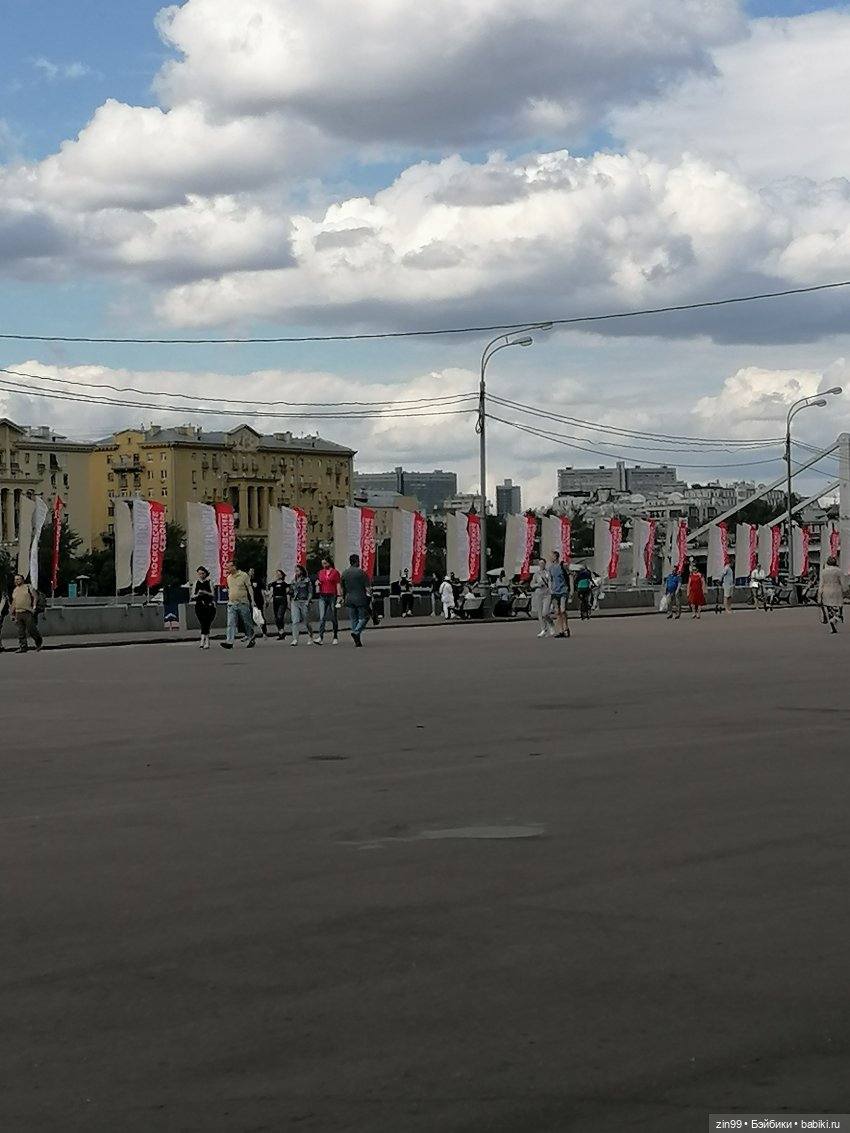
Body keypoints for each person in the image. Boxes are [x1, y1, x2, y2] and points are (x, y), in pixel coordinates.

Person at [219, 560, 256, 649]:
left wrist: (252, 600)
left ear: (234, 567)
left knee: (247, 622)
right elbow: (229, 589)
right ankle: (229, 641)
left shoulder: (243, 575)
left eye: (229, 566)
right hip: (232, 604)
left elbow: (249, 588)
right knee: (231, 623)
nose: (228, 568)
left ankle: (251, 637)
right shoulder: (229, 578)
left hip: (243, 603)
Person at [341, 553, 372, 646]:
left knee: (353, 619)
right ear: (357, 561)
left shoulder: (344, 573)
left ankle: (357, 639)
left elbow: (342, 588)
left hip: (349, 598)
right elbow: (368, 588)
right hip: (360, 598)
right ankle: (356, 632)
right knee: (364, 617)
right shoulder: (361, 573)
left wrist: (342, 598)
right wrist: (371, 595)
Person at [9, 573, 43, 653]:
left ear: (22, 580)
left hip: (28, 612)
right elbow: (14, 602)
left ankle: (38, 641)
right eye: (15, 579)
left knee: (32, 630)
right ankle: (23, 647)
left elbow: (35, 596)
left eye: (18, 579)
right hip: (18, 612)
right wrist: (12, 613)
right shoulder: (15, 590)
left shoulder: (28, 587)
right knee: (20, 632)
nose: (16, 581)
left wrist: (34, 606)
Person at [289, 564, 317, 645]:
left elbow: (310, 592)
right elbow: (291, 591)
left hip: (304, 601)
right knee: (295, 621)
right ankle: (295, 639)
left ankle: (310, 634)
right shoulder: (293, 580)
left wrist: (308, 601)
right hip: (295, 601)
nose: (296, 572)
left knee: (306, 621)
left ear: (301, 571)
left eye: (298, 570)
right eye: (295, 570)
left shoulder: (306, 580)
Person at [818, 555, 846, 634]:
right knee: (838, 607)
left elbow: (821, 584)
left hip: (826, 591)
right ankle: (835, 619)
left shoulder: (824, 572)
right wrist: (846, 591)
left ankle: (832, 625)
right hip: (837, 591)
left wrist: (820, 595)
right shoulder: (838, 571)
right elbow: (843, 583)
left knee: (830, 608)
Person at [316, 557, 341, 643]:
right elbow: (319, 581)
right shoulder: (320, 572)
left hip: (332, 595)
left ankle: (335, 636)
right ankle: (320, 636)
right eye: (322, 563)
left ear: (329, 563)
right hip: (323, 595)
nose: (324, 565)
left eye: (325, 563)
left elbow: (338, 584)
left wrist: (339, 596)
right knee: (322, 617)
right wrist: (317, 583)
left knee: (333, 616)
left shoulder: (335, 572)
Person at [547, 550, 571, 638]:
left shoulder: (563, 566)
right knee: (557, 612)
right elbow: (550, 579)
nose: (550, 558)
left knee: (563, 610)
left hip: (563, 590)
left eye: (551, 556)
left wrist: (571, 589)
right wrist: (550, 589)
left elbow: (570, 576)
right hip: (555, 592)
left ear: (555, 557)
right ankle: (561, 630)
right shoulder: (550, 568)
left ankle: (566, 628)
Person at [192, 566, 216, 649]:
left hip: (208, 605)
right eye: (199, 574)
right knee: (203, 622)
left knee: (206, 622)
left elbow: (213, 594)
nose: (201, 575)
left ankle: (204, 640)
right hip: (199, 605)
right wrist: (198, 594)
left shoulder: (209, 582)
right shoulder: (196, 582)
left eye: (202, 574)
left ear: (205, 574)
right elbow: (193, 595)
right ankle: (206, 640)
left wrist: (205, 592)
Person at [530, 558, 552, 637]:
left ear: (545, 564)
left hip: (547, 594)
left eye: (543, 563)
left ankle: (550, 623)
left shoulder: (548, 573)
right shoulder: (536, 574)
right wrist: (537, 584)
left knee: (545, 612)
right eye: (540, 563)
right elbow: (531, 585)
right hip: (539, 594)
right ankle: (543, 629)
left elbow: (550, 581)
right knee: (540, 613)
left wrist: (550, 588)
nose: (541, 565)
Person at [248, 567, 269, 637]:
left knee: (260, 616)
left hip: (258, 600)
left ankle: (264, 632)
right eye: (250, 571)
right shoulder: (246, 581)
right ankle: (250, 633)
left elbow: (262, 591)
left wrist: (265, 600)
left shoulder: (258, 580)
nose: (252, 573)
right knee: (249, 617)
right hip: (248, 601)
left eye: (253, 571)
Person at [270, 569, 288, 639]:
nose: (278, 575)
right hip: (275, 600)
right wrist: (268, 599)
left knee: (279, 616)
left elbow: (287, 593)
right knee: (276, 618)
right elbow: (271, 592)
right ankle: (281, 631)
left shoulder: (285, 584)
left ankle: (281, 631)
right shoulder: (273, 584)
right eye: (277, 574)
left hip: (282, 600)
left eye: (279, 574)